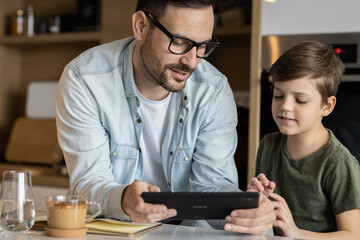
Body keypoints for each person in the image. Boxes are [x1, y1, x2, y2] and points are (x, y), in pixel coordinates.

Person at [56, 0, 275, 234]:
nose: (191, 61)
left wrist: (246, 208)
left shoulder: (213, 90)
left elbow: (212, 186)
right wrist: (122, 200)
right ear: (141, 26)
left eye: (203, 46)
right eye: (179, 42)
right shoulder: (85, 80)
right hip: (116, 232)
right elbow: (88, 185)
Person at [248, 41, 360, 239]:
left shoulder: (339, 163)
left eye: (300, 100)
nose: (285, 106)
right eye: (278, 95)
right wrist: (257, 198)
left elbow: (353, 235)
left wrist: (296, 233)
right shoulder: (268, 145)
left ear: (327, 106)